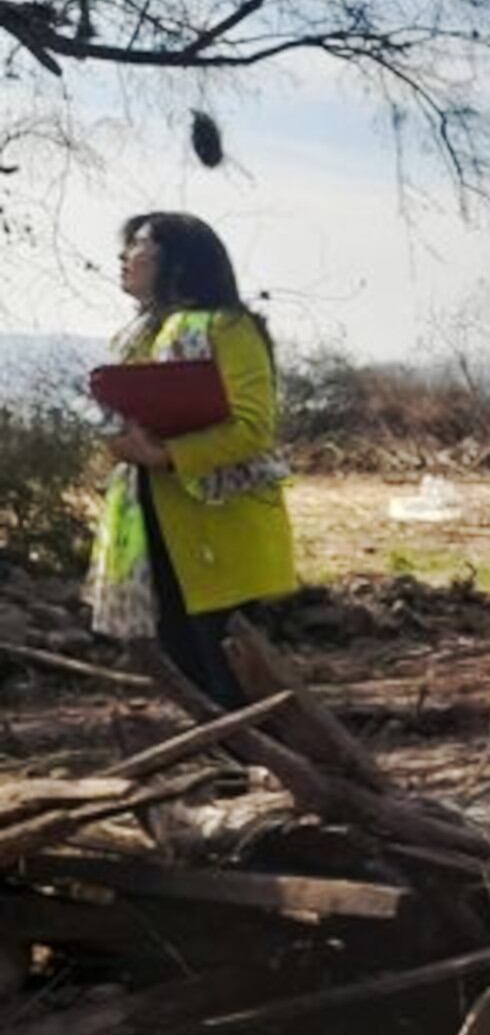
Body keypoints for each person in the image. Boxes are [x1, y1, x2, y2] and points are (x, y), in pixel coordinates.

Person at [87, 212, 297, 709]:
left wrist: (165, 454)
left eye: (138, 244)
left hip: (219, 527)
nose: (123, 256)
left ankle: (257, 774)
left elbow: (253, 427)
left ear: (179, 260)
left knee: (229, 670)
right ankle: (228, 768)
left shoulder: (230, 327)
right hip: (154, 519)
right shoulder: (137, 336)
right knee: (184, 663)